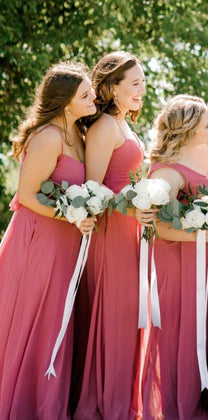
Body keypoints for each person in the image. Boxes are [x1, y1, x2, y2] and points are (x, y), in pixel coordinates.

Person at [0, 62, 96, 418]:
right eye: (84, 94)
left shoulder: (79, 136)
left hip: (66, 243)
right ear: (65, 101)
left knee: (56, 320)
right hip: (38, 240)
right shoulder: (49, 136)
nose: (92, 97)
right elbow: (26, 195)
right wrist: (71, 215)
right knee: (34, 319)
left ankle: (47, 404)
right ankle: (22, 405)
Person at [73, 51, 147, 419]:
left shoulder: (123, 124)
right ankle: (106, 403)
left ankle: (123, 399)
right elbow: (93, 191)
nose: (142, 89)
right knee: (114, 315)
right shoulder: (104, 128)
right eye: (134, 83)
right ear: (111, 88)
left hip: (130, 230)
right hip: (111, 233)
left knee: (129, 314)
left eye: (143, 81)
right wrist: (132, 205)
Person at [141, 95, 208, 419]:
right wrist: (198, 234)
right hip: (178, 261)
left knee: (205, 324)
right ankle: (178, 406)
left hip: (207, 257)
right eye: (206, 123)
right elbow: (160, 228)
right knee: (180, 331)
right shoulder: (166, 173)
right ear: (189, 128)